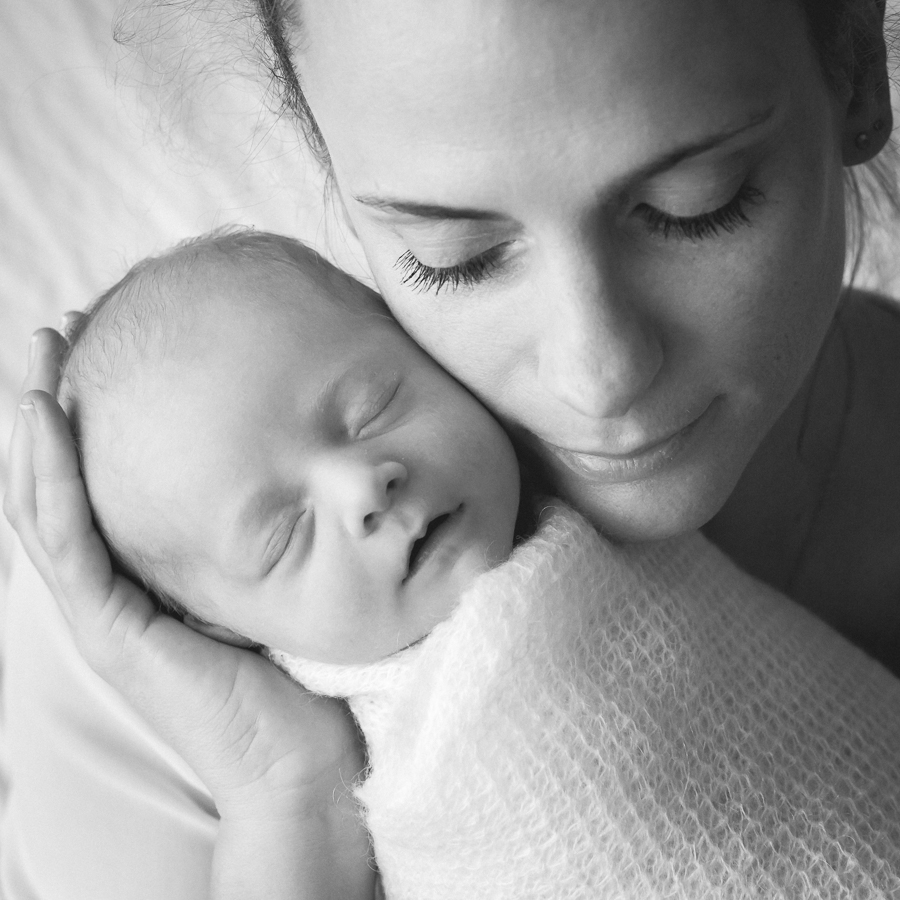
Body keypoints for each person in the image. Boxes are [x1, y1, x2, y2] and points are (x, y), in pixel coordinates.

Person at [5, 0, 900, 896]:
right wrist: (288, 790)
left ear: (858, 71)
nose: (600, 375)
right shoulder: (153, 627)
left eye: (691, 205)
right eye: (454, 256)